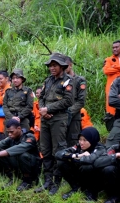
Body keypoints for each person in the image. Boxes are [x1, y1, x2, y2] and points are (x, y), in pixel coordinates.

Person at [34, 53, 74, 195]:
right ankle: (47, 180)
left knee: (57, 150)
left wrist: (49, 109)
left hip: (59, 119)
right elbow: (41, 98)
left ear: (62, 66)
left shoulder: (68, 81)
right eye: (50, 65)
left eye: (54, 65)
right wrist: (43, 111)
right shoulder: (48, 80)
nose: (52, 68)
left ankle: (56, 182)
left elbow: (68, 101)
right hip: (45, 119)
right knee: (45, 149)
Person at [0, 120, 41, 191]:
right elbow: (0, 144)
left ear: (19, 128)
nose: (9, 134)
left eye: (11, 132)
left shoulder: (29, 137)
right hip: (19, 164)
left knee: (22, 155)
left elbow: (19, 148)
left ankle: (27, 181)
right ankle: (12, 177)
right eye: (8, 132)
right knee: (0, 152)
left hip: (33, 166)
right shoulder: (11, 138)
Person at [55, 127, 105, 201]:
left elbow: (89, 160)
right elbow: (58, 154)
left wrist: (72, 159)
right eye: (80, 139)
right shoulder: (78, 146)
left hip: (96, 178)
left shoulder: (100, 148)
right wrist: (75, 155)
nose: (81, 142)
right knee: (61, 163)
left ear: (92, 140)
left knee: (87, 166)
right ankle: (76, 188)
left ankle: (91, 193)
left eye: (84, 140)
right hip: (80, 173)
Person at [95, 130, 120, 203]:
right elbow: (98, 162)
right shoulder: (115, 148)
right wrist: (116, 155)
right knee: (108, 169)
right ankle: (114, 196)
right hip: (118, 180)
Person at [103, 40, 120, 115]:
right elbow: (106, 70)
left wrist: (115, 66)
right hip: (111, 86)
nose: (114, 49)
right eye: (113, 47)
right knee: (111, 105)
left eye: (116, 47)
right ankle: (111, 122)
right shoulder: (108, 59)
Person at [64, 56, 87, 147]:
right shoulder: (61, 81)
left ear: (70, 65)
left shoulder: (79, 80)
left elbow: (81, 101)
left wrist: (69, 112)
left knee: (73, 142)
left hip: (74, 116)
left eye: (65, 66)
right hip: (60, 117)